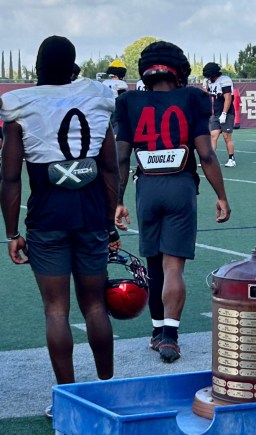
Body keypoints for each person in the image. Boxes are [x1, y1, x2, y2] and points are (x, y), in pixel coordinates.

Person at [0, 35, 120, 417]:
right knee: (95, 304)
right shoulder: (97, 97)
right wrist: (110, 221)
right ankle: (106, 390)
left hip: (46, 218)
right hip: (89, 218)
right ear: (73, 66)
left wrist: (11, 232)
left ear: (37, 66)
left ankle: (68, 399)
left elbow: (11, 177)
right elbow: (110, 169)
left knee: (56, 310)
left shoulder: (21, 104)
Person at [114, 41, 231, 363]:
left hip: (146, 188)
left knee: (153, 263)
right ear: (179, 70)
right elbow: (205, 153)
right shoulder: (192, 97)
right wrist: (221, 195)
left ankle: (155, 332)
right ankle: (170, 335)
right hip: (180, 186)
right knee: (173, 266)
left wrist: (117, 200)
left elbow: (121, 157)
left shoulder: (128, 101)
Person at [203, 62, 237, 168]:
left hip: (227, 112)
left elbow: (228, 97)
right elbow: (207, 94)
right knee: (213, 135)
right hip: (216, 112)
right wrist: (205, 85)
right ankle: (210, 159)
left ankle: (231, 159)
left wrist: (224, 113)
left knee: (226, 136)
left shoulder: (225, 80)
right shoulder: (210, 82)